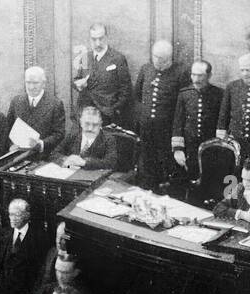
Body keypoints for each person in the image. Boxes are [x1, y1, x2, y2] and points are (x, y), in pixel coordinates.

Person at [73, 23, 132, 167]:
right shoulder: (85, 57)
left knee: (102, 157)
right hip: (85, 114)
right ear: (89, 39)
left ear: (107, 37)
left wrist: (113, 109)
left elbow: (126, 90)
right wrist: (77, 84)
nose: (97, 43)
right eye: (94, 39)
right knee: (84, 153)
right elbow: (76, 79)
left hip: (106, 116)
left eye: (101, 38)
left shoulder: (117, 58)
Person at [133, 40, 190, 188]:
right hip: (146, 129)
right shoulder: (146, 69)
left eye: (162, 59)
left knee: (168, 165)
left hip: (168, 130)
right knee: (147, 165)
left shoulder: (181, 72)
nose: (157, 61)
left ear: (170, 58)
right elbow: (137, 95)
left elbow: (184, 103)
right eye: (155, 57)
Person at [172, 60, 224, 180]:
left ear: (209, 76)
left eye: (200, 75)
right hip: (189, 147)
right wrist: (178, 149)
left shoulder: (219, 94)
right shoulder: (184, 94)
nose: (196, 79)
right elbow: (177, 123)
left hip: (211, 146)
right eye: (193, 75)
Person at [5, 66, 66, 157]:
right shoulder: (16, 101)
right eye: (28, 82)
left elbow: (59, 134)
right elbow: (7, 128)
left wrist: (41, 144)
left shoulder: (55, 104)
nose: (31, 87)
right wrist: (10, 146)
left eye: (35, 83)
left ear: (44, 83)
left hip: (43, 157)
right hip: (17, 155)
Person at [52, 105, 117, 170]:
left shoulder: (108, 139)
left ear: (100, 124)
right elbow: (54, 154)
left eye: (95, 125)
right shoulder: (73, 135)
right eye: (87, 124)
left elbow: (110, 163)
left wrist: (84, 162)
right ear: (81, 123)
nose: (90, 128)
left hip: (92, 176)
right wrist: (66, 159)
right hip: (70, 174)